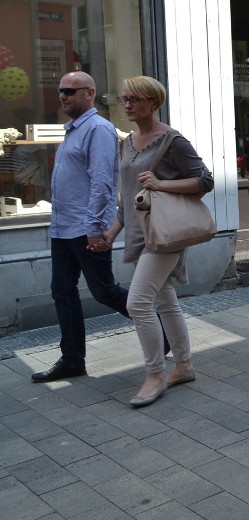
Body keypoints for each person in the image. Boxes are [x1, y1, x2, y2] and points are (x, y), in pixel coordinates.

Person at [101, 76, 212, 407]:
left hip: (164, 234)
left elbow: (204, 180)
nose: (128, 105)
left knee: (137, 303)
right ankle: (184, 365)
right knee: (165, 301)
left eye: (135, 99)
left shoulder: (172, 141)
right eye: (124, 99)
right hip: (138, 233)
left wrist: (162, 185)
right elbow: (127, 195)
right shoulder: (127, 142)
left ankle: (154, 374)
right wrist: (113, 231)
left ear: (154, 103)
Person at [30, 72, 131, 383]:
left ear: (90, 93)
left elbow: (102, 182)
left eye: (70, 91)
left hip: (86, 227)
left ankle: (161, 324)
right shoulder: (73, 130)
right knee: (62, 291)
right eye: (61, 91)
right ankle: (73, 360)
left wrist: (94, 226)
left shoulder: (99, 129)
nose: (63, 96)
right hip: (62, 228)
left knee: (104, 291)